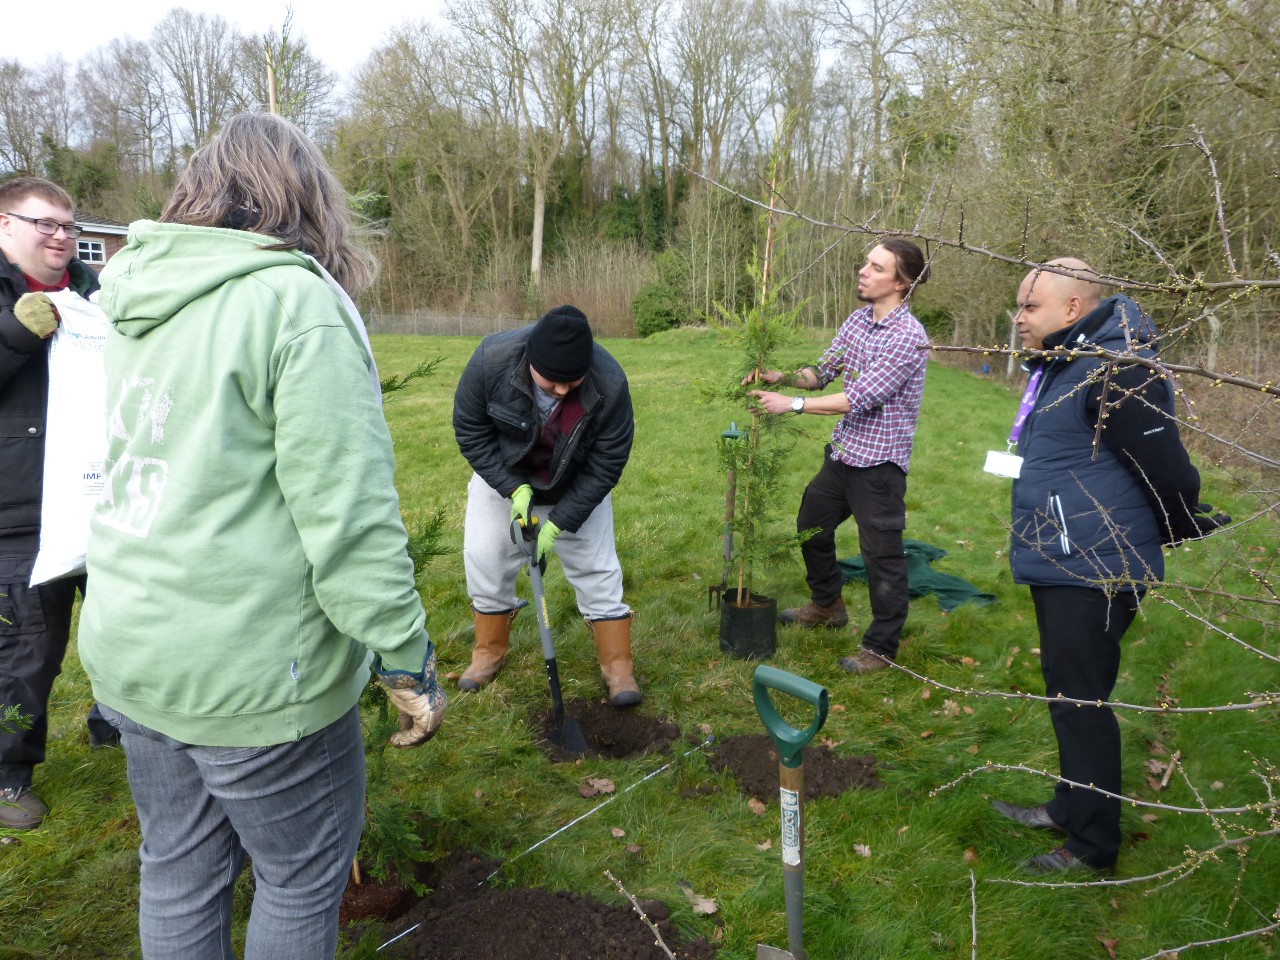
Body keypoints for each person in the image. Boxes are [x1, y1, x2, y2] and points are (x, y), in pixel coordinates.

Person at [76, 112, 446, 959]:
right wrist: (405, 659)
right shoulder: (294, 302)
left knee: (175, 871)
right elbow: (348, 517)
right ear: (307, 200)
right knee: (301, 878)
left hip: (133, 651)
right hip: (250, 673)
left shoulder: (132, 293)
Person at [991, 258, 1224, 874]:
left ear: (1072, 309)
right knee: (1070, 694)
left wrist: (1179, 524)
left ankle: (1091, 847)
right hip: (1066, 555)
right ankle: (1070, 808)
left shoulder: (1117, 371)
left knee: (1082, 703)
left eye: (1029, 306)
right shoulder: (1069, 364)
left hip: (1095, 566)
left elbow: (1167, 467)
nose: (1018, 318)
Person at [748, 238, 930, 675]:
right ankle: (828, 605)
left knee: (881, 557)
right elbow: (823, 372)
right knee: (810, 527)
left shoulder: (909, 337)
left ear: (902, 282)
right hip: (845, 455)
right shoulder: (858, 321)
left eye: (876, 266)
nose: (862, 271)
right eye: (865, 263)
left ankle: (882, 648)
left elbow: (859, 397)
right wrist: (783, 377)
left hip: (880, 466)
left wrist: (790, 405)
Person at [0, 177, 120, 832]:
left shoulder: (95, 295)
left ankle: (117, 724)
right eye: (43, 223)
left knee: (123, 623)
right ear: (4, 226)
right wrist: (15, 337)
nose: (61, 237)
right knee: (27, 652)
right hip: (22, 513)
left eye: (69, 227)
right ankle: (6, 776)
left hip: (102, 495)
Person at [452, 305, 641, 707]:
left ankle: (618, 666)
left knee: (597, 567)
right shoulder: (491, 361)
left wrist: (559, 524)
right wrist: (511, 488)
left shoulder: (610, 384)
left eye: (571, 383)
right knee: (484, 557)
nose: (561, 391)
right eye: (552, 381)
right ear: (531, 361)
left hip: (575, 483)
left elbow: (607, 464)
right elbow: (471, 431)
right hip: (503, 477)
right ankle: (487, 652)